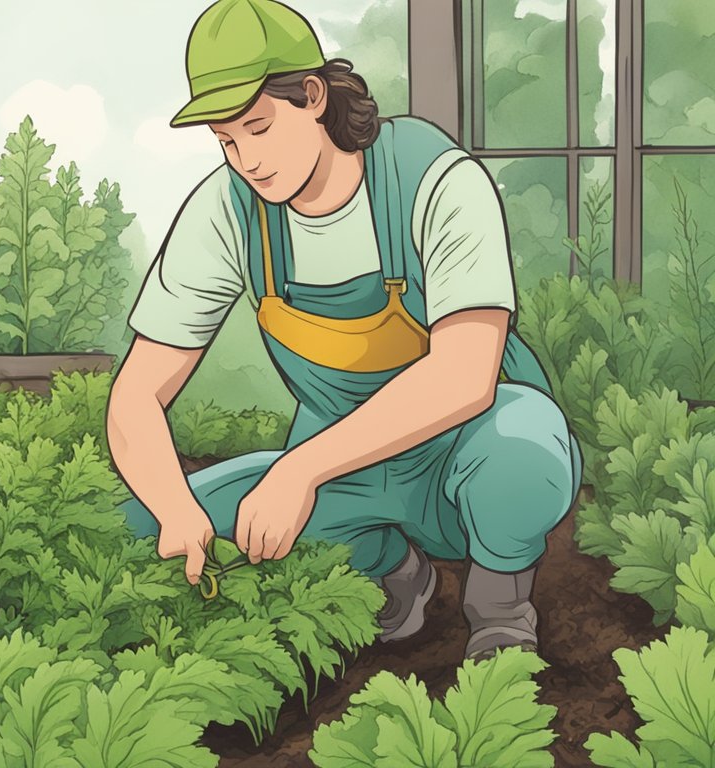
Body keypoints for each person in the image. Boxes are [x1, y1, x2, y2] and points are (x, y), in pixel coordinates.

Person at [106, 0, 583, 661]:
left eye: (258, 127)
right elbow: (136, 395)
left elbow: (466, 374)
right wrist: (175, 508)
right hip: (338, 461)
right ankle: (393, 578)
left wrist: (298, 471)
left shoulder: (434, 179)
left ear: (313, 95)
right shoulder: (226, 209)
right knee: (137, 516)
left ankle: (500, 607)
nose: (246, 159)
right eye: (226, 141)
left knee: (525, 448)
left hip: (461, 448)